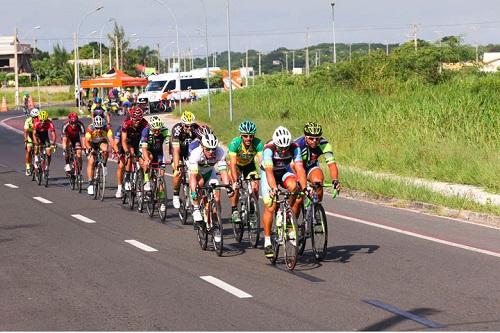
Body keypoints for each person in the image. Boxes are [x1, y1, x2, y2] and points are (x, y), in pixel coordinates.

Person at [260, 126, 306, 258]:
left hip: (284, 171)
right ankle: (268, 240)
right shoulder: (269, 149)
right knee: (271, 206)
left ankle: (289, 216)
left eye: (286, 147)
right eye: (281, 148)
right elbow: (269, 172)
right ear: (275, 144)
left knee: (294, 188)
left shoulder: (295, 147)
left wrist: (303, 188)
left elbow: (300, 169)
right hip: (269, 173)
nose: (284, 150)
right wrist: (274, 188)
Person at [292, 122, 340, 212]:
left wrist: (335, 180)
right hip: (295, 168)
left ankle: (316, 209)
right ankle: (293, 223)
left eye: (317, 139)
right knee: (298, 199)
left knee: (318, 183)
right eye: (311, 138)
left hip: (311, 166)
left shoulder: (324, 144)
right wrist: (302, 182)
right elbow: (292, 166)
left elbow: (332, 164)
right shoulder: (297, 145)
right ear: (305, 136)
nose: (314, 141)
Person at [188, 133, 233, 227]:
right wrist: (193, 192)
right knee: (200, 183)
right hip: (197, 172)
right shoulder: (196, 154)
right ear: (202, 146)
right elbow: (193, 176)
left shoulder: (220, 152)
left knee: (217, 197)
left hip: (210, 172)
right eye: (208, 149)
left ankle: (216, 223)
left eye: (213, 149)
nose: (211, 151)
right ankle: (196, 208)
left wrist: (228, 186)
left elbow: (223, 171)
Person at [227, 120, 263, 224]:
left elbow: (262, 161)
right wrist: (235, 181)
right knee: (236, 186)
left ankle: (252, 209)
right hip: (236, 165)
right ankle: (234, 211)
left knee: (255, 186)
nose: (248, 138)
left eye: (251, 136)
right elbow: (233, 164)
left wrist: (263, 174)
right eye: (245, 136)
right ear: (241, 135)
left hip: (249, 165)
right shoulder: (235, 143)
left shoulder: (258, 143)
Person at [140, 116, 171, 212]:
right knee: (148, 160)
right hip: (148, 150)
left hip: (159, 152)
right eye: (155, 130)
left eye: (158, 130)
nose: (157, 132)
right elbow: (144, 149)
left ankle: (161, 201)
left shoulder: (165, 131)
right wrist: (146, 160)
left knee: (161, 176)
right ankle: (147, 181)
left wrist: (168, 158)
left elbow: (166, 147)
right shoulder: (145, 131)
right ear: (151, 127)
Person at [170, 111, 200, 209]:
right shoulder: (176, 130)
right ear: (182, 124)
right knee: (178, 173)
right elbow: (176, 150)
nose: (189, 128)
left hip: (189, 151)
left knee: (195, 171)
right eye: (186, 126)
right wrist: (177, 164)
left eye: (191, 125)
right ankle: (175, 195)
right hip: (177, 150)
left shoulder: (196, 129)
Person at [121, 107, 149, 191]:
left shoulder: (145, 123)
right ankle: (127, 179)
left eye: (139, 120)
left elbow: (146, 138)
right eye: (135, 120)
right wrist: (126, 151)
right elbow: (123, 140)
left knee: (142, 159)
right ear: (131, 118)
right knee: (130, 156)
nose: (137, 122)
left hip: (139, 141)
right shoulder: (126, 123)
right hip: (128, 141)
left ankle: (144, 179)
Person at [84, 115, 113, 195]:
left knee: (105, 150)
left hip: (101, 142)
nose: (99, 130)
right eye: (97, 128)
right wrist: (90, 149)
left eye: (100, 128)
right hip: (92, 143)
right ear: (94, 126)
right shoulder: (90, 128)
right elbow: (86, 141)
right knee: (91, 161)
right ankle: (90, 184)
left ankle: (104, 164)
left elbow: (111, 139)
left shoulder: (106, 128)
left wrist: (113, 148)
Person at [23, 108, 40, 176]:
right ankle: (27, 167)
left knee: (39, 146)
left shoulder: (40, 120)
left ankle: (38, 158)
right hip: (30, 135)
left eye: (37, 117)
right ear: (31, 117)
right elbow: (25, 131)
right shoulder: (28, 120)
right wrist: (25, 139)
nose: (35, 118)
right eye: (34, 117)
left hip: (37, 135)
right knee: (29, 150)